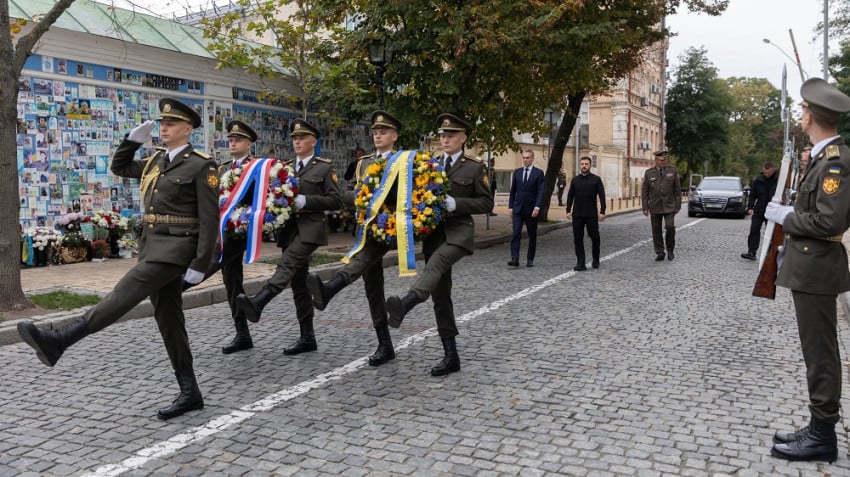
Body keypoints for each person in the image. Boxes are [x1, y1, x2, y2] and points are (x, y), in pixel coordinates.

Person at [17, 98, 219, 420]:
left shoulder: (201, 164)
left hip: (178, 249)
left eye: (171, 123)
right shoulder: (155, 161)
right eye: (162, 123)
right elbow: (120, 168)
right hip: (152, 246)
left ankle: (60, 340)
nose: (164, 127)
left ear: (188, 129)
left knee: (123, 293)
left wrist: (200, 263)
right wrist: (131, 141)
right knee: (169, 320)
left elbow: (210, 218)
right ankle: (190, 391)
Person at [765, 78, 850, 463]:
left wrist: (789, 217)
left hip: (817, 270)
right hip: (810, 266)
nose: (800, 115)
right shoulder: (822, 156)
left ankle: (822, 434)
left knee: (820, 353)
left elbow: (830, 223)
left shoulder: (834, 161)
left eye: (802, 110)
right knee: (815, 351)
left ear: (810, 115)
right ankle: (819, 426)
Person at [384, 113, 493, 376]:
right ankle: (451, 355)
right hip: (434, 235)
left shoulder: (474, 167)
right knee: (441, 297)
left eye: (451, 135)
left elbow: (486, 203)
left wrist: (457, 204)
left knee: (438, 262)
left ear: (463, 138)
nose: (445, 139)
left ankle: (408, 301)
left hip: (458, 234)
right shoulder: (431, 164)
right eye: (442, 135)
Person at [233, 119, 342, 355]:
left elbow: (336, 200)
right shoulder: (286, 167)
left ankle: (260, 300)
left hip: (311, 229)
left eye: (302, 138)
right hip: (289, 229)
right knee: (299, 285)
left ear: (313, 141)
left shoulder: (324, 167)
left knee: (288, 262)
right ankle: (307, 337)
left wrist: (308, 201)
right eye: (294, 138)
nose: (297, 142)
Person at [305, 111, 402, 366]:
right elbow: (347, 195)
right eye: (375, 132)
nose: (378, 135)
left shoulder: (404, 162)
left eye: (383, 131)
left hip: (389, 227)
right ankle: (385, 344)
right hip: (365, 228)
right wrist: (361, 198)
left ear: (394, 135)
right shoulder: (363, 163)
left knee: (364, 257)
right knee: (373, 288)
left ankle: (331, 287)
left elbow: (406, 196)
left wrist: (379, 200)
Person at [184, 120, 258, 354]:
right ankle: (242, 334)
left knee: (215, 259)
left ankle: (182, 285)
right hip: (222, 229)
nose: (233, 143)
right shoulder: (224, 168)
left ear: (249, 143)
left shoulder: (257, 168)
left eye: (238, 140)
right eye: (231, 140)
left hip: (240, 231)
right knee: (232, 282)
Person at [566, 156, 606, 270]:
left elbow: (602, 196)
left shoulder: (596, 179)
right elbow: (570, 196)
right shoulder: (575, 180)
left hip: (591, 214)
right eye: (582, 164)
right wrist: (568, 210)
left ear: (590, 165)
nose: (584, 166)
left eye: (586, 164)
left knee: (595, 237)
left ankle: (596, 259)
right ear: (580, 165)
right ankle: (581, 262)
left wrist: (602, 211)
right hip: (577, 214)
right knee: (577, 239)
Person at [507, 150, 545, 267]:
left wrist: (537, 207)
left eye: (527, 158)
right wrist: (510, 207)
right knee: (516, 233)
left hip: (532, 209)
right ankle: (515, 258)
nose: (525, 160)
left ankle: (530, 259)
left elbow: (540, 192)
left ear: (532, 159)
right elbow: (513, 191)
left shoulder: (538, 173)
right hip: (518, 208)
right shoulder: (517, 172)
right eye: (523, 158)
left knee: (532, 235)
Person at [641, 150, 681, 261]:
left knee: (670, 226)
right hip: (655, 205)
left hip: (669, 205)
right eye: (661, 160)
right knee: (656, 229)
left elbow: (677, 190)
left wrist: (678, 206)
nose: (663, 162)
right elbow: (645, 191)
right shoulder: (649, 173)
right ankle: (660, 252)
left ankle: (670, 249)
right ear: (656, 160)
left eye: (665, 160)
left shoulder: (672, 171)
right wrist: (645, 207)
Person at [740, 162, 777, 260]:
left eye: (768, 173)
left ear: (773, 170)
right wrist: (750, 207)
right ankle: (751, 252)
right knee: (754, 230)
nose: (766, 175)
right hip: (759, 209)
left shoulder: (778, 180)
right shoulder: (758, 180)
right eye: (765, 173)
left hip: (773, 210)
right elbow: (752, 195)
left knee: (772, 232)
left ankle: (771, 253)